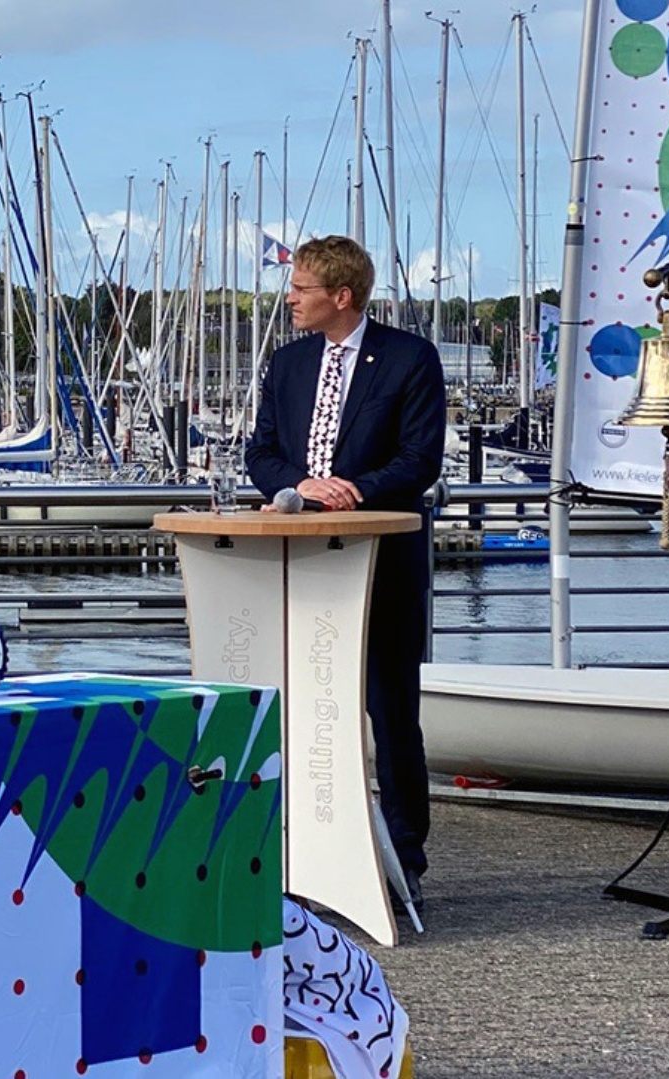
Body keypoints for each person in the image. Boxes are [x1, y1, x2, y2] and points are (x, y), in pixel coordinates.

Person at [242, 235, 446, 905]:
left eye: (301, 289)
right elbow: (261, 453)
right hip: (297, 564)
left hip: (382, 564)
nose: (290, 299)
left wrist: (351, 490)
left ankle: (403, 862)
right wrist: (302, 485)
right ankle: (303, 858)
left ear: (342, 295)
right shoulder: (288, 363)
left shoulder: (410, 360)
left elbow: (419, 460)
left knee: (391, 714)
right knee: (303, 710)